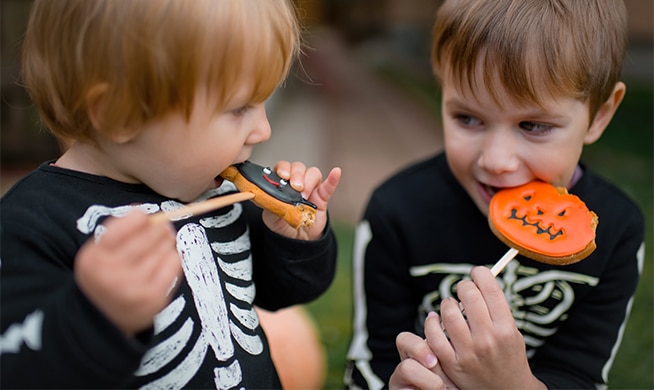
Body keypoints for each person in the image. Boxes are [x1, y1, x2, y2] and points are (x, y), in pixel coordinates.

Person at [0, 0, 342, 388]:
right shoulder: (32, 224)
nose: (263, 131)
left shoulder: (214, 196)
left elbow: (286, 290)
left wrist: (294, 240)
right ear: (120, 114)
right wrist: (94, 315)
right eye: (238, 108)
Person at [345, 0, 645, 388]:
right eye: (468, 118)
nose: (497, 160)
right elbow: (372, 362)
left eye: (533, 125)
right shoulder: (396, 211)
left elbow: (580, 374)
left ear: (599, 115)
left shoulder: (614, 231)